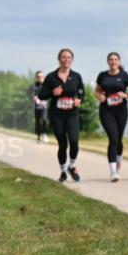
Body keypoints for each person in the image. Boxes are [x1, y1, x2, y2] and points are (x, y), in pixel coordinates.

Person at [39, 49, 85, 183]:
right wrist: (53, 92)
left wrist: (80, 100)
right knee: (62, 144)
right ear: (59, 59)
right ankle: (63, 172)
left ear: (72, 60)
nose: (66, 60)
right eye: (63, 57)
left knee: (74, 141)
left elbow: (82, 93)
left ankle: (72, 166)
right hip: (56, 115)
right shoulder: (51, 77)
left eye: (69, 57)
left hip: (72, 114)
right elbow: (42, 95)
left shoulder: (76, 76)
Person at [95, 52, 128, 182]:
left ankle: (118, 160)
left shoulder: (124, 76)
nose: (113, 62)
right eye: (111, 59)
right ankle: (113, 171)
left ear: (119, 62)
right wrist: (100, 96)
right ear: (107, 62)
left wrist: (126, 95)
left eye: (116, 59)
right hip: (106, 111)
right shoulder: (102, 75)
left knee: (119, 139)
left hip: (121, 111)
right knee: (113, 138)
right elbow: (97, 91)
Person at [28, 71, 49, 143]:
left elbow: (50, 94)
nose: (40, 78)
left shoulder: (46, 86)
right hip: (37, 107)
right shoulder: (34, 86)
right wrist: (33, 98)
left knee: (44, 119)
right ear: (36, 78)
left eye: (41, 76)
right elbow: (30, 94)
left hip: (44, 106)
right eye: (38, 77)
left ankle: (44, 134)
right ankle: (38, 137)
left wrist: (47, 99)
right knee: (38, 122)